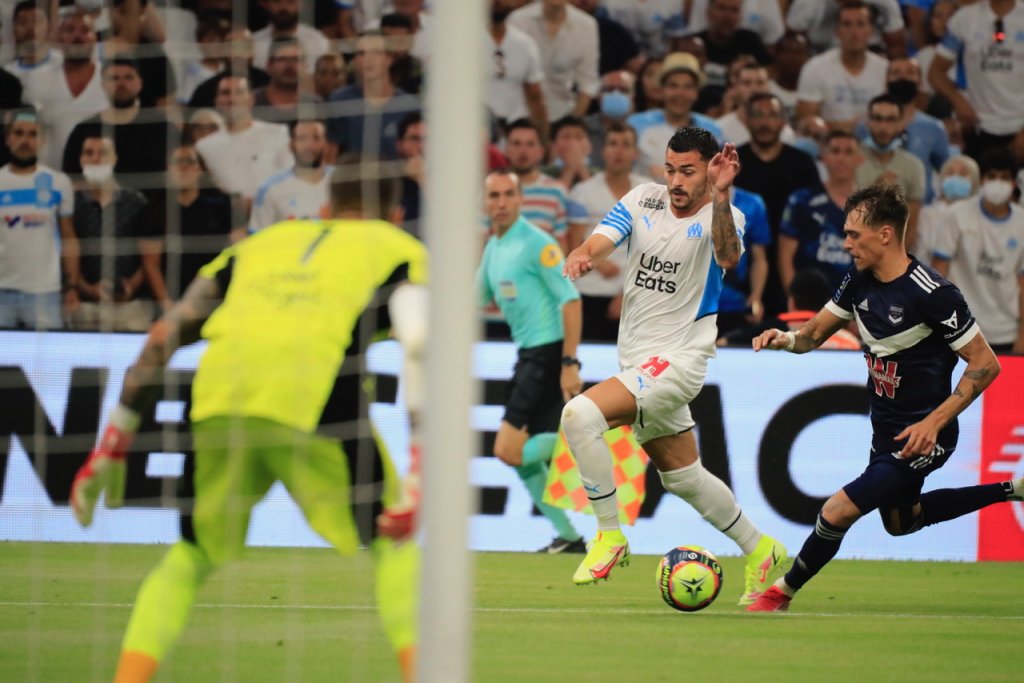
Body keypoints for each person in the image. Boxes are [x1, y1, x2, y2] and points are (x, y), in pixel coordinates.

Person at [69, 162, 428, 682]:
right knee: (393, 544)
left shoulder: (259, 244)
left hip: (219, 398)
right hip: (314, 401)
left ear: (324, 209)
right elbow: (419, 342)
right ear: (395, 215)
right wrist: (419, 465)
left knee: (190, 557)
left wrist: (110, 447)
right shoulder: (399, 249)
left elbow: (157, 342)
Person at [748, 183, 1023, 612]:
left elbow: (986, 364)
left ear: (885, 235)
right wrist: (783, 339)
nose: (846, 243)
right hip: (886, 432)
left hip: (925, 436)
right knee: (902, 523)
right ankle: (1011, 489)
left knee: (838, 510)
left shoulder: (933, 294)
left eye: (854, 235)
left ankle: (778, 594)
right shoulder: (857, 280)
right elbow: (813, 335)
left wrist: (934, 423)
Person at [561, 127, 787, 603]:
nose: (676, 180)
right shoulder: (643, 198)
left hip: (680, 360)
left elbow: (729, 257)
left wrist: (721, 198)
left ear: (710, 170)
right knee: (682, 476)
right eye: (670, 169)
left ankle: (608, 535)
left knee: (579, 415)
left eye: (688, 171)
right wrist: (582, 255)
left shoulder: (726, 216)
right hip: (638, 360)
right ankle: (761, 548)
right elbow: (602, 240)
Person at [478, 169, 587, 554]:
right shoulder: (494, 248)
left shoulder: (538, 244)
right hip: (528, 355)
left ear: (521, 199)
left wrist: (569, 362)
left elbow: (570, 299)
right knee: (518, 457)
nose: (502, 202)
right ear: (485, 202)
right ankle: (570, 538)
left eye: (509, 194)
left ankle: (581, 438)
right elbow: (472, 302)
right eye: (494, 196)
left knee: (507, 451)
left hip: (547, 354)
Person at [931, 149, 1024, 356]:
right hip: (961, 328)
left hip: (1005, 332)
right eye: (992, 177)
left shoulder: (1022, 223)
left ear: (1014, 183)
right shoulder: (957, 215)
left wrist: (1022, 334)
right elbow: (938, 273)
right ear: (981, 180)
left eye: (1004, 177)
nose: (997, 183)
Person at [568, 121, 651, 342]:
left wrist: (626, 293)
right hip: (589, 290)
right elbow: (574, 242)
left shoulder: (648, 193)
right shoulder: (582, 192)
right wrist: (598, 260)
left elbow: (653, 249)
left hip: (634, 294)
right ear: (603, 150)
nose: (619, 151)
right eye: (613, 144)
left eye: (626, 145)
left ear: (635, 153)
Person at [0, 107, 80, 330]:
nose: (25, 140)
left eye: (33, 134)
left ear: (42, 140)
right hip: (2, 290)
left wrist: (72, 286)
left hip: (45, 291)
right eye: (18, 133)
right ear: (8, 138)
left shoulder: (59, 182)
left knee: (46, 363)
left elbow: (68, 237)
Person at [69, 135, 153, 332]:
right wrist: (86, 288)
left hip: (130, 308)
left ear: (115, 158)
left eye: (103, 153)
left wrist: (130, 286)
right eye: (89, 153)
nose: (96, 159)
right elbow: (66, 251)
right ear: (81, 159)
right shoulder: (71, 204)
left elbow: (150, 256)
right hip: (85, 306)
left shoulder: (136, 202)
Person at [138, 145, 233, 312]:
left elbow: (233, 253)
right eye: (177, 162)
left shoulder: (221, 207)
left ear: (200, 169)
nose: (183, 167)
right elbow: (151, 264)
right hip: (170, 304)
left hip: (214, 301)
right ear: (168, 170)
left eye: (189, 161)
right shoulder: (154, 210)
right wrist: (168, 307)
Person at [928, 0, 1024, 163]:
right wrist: (959, 101)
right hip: (979, 125)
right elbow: (935, 72)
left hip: (1020, 123)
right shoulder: (965, 18)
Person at [61, 57, 176, 189]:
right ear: (103, 84)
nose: (121, 84)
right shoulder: (84, 130)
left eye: (128, 77)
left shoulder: (162, 126)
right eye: (114, 78)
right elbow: (71, 179)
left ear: (140, 83)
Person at [854, 57, 949, 204]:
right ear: (886, 81)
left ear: (920, 81)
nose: (903, 77)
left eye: (910, 72)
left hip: (920, 209)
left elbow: (945, 170)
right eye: (896, 73)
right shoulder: (864, 126)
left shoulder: (934, 128)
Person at [779, 130, 862, 292]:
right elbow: (785, 257)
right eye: (835, 151)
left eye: (849, 152)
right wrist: (793, 300)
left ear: (860, 159)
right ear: (823, 157)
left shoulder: (872, 206)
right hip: (810, 302)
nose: (841, 158)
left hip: (853, 305)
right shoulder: (801, 201)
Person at [195, 74, 293, 202]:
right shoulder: (203, 147)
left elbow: (290, 180)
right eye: (225, 93)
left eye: (239, 92)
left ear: (251, 100)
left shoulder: (278, 133)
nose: (232, 99)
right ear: (217, 102)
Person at [795, 0, 889, 132]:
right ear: (837, 31)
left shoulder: (885, 70)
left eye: (860, 24)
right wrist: (848, 127)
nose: (854, 32)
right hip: (828, 143)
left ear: (871, 31)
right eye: (847, 24)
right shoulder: (815, 68)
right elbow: (806, 122)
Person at [508, 0, 600, 122]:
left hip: (564, 114)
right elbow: (510, 76)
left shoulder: (587, 25)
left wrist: (572, 123)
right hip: (520, 116)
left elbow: (588, 82)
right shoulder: (517, 20)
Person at [855, 95, 926, 247]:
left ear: (901, 124)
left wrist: (894, 266)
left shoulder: (914, 166)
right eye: (877, 119)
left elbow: (911, 226)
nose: (883, 127)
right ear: (867, 122)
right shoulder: (851, 160)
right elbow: (841, 215)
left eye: (890, 120)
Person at [249, 120, 330, 233]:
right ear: (291, 145)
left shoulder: (344, 181)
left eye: (316, 138)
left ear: (326, 143)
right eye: (302, 139)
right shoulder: (269, 189)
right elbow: (256, 239)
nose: (309, 145)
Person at [504, 118, 573, 249]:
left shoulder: (557, 191)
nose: (523, 150)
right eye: (516, 144)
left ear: (541, 152)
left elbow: (561, 243)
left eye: (530, 144)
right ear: (506, 149)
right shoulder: (492, 189)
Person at [485, 0, 548, 137]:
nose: (497, 2)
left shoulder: (525, 44)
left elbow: (535, 97)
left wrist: (544, 138)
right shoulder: (465, 42)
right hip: (477, 128)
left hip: (516, 128)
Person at [912, 154, 979, 264]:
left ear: (975, 182)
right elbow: (920, 252)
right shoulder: (926, 214)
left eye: (963, 174)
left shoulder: (978, 215)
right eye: (950, 173)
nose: (955, 178)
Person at [251, 38, 322, 127]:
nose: (289, 65)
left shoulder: (316, 106)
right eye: (282, 59)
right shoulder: (249, 102)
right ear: (269, 65)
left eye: (296, 59)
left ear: (306, 66)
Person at [252, 0, 330, 75]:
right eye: (277, 1)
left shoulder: (317, 40)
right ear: (268, 4)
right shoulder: (253, 42)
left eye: (290, 1)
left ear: (300, 3)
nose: (283, 7)